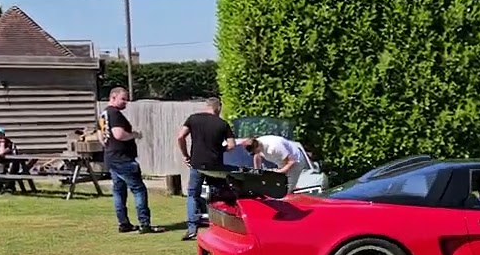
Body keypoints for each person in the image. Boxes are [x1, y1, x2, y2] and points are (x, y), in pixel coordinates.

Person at [99, 87, 163, 234]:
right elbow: (119, 134)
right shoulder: (115, 114)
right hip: (123, 159)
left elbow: (101, 136)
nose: (126, 102)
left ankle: (124, 223)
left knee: (119, 191)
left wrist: (108, 146)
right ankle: (145, 224)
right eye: (123, 98)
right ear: (113, 97)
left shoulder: (104, 114)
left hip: (111, 157)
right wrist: (135, 134)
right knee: (139, 190)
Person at [176, 97, 235, 241]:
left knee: (193, 194)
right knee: (217, 194)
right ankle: (217, 226)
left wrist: (186, 155)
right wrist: (221, 149)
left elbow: (180, 136)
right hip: (215, 165)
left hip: (197, 163)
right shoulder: (222, 124)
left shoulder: (193, 119)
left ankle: (192, 228)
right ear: (218, 108)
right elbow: (232, 145)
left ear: (207, 106)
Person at [247, 134, 320, 191]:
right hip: (282, 161)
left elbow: (291, 161)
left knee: (285, 189)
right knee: (278, 183)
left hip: (296, 162)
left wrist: (280, 172)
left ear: (257, 147)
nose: (254, 154)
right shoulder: (257, 143)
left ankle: (290, 191)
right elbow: (257, 156)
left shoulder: (274, 147)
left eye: (254, 152)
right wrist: (257, 172)